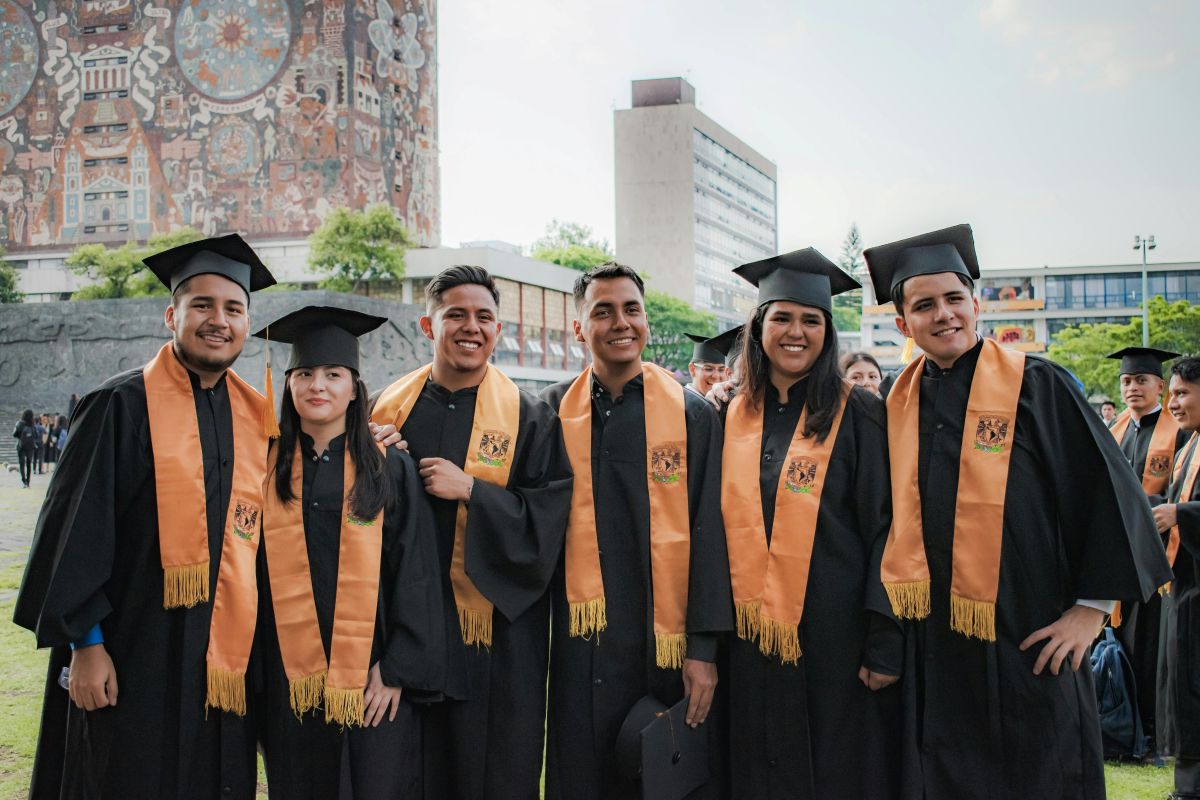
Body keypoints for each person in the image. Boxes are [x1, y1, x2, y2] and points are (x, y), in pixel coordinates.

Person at [862, 223, 1172, 800]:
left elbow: (1104, 492)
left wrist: (1092, 609)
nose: (943, 315)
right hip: (934, 648)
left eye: (953, 299)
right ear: (903, 324)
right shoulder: (892, 403)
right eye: (924, 306)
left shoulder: (1038, 385)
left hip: (1029, 639)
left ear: (975, 304)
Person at [12, 234, 278, 799]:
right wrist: (87, 646)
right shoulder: (119, 405)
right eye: (202, 305)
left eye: (233, 309)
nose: (218, 320)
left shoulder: (257, 419)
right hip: (132, 649)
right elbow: (73, 532)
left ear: (247, 323)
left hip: (220, 659)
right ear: (171, 315)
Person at [370, 265, 573, 800]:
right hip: (406, 632)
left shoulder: (530, 418)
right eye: (455, 314)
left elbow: (548, 522)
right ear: (427, 325)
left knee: (491, 775)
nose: (471, 327)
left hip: (495, 642)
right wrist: (373, 456)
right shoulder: (386, 412)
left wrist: (473, 492)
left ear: (498, 330)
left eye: (484, 317)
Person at [541, 262, 734, 800]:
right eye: (603, 311)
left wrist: (703, 651)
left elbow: (710, 535)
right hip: (581, 644)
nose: (620, 323)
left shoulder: (692, 415)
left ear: (646, 320)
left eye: (632, 309)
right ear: (579, 328)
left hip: (663, 647)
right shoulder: (547, 414)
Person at [720, 249, 902, 798]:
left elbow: (887, 528)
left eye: (811, 320)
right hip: (747, 639)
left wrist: (885, 640)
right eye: (782, 317)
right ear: (759, 327)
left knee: (834, 773)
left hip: (835, 640)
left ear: (828, 331)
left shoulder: (860, 414)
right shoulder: (729, 415)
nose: (795, 332)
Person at [254, 306, 452, 799]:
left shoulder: (389, 468)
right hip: (288, 680)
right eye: (304, 374)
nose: (317, 386)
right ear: (288, 385)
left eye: (332, 374)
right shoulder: (264, 469)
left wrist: (397, 670)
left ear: (354, 388)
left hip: (373, 679)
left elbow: (417, 572)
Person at [1105, 346, 1189, 754]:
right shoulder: (1114, 429)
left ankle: (1152, 731)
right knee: (1119, 640)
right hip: (1121, 553)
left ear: (1160, 386)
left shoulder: (1181, 432)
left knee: (1152, 645)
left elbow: (1179, 494)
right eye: (1126, 381)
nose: (1132, 388)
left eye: (1141, 380)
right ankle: (1121, 727)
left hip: (1161, 556)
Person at [1153, 356, 1200, 800]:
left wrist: (1181, 513)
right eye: (1172, 393)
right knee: (1182, 685)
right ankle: (1187, 786)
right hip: (1185, 586)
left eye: (1182, 393)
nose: (1173, 403)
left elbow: (1183, 510)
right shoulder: (1188, 447)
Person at [684, 328, 741, 399]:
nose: (716, 376)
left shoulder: (728, 401)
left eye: (721, 370)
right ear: (692, 369)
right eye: (708, 369)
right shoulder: (680, 400)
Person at [13, 408, 38, 488]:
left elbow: (14, 434)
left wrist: (21, 437)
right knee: (28, 464)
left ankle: (23, 481)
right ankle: (28, 482)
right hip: (30, 447)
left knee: (22, 464)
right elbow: (36, 436)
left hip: (21, 446)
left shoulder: (20, 423)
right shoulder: (32, 424)